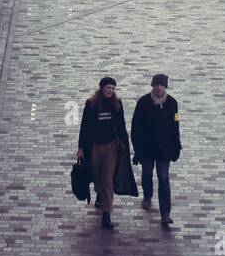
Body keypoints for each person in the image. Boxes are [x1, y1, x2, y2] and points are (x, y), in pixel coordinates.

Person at [77, 76, 132, 229]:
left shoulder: (117, 104)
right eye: (108, 87)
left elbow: (121, 125)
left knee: (107, 178)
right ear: (102, 88)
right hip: (94, 146)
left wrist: (125, 145)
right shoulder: (91, 104)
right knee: (96, 175)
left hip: (111, 147)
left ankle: (106, 214)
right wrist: (81, 148)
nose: (110, 91)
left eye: (113, 88)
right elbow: (85, 126)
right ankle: (99, 193)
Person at [131, 74, 181, 228]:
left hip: (164, 149)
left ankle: (165, 213)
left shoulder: (172, 103)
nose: (159, 88)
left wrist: (176, 146)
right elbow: (135, 128)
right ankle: (147, 194)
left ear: (165, 87)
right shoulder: (143, 102)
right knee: (146, 174)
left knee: (164, 179)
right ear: (152, 86)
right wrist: (137, 149)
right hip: (147, 149)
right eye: (156, 85)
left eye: (162, 85)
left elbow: (175, 125)